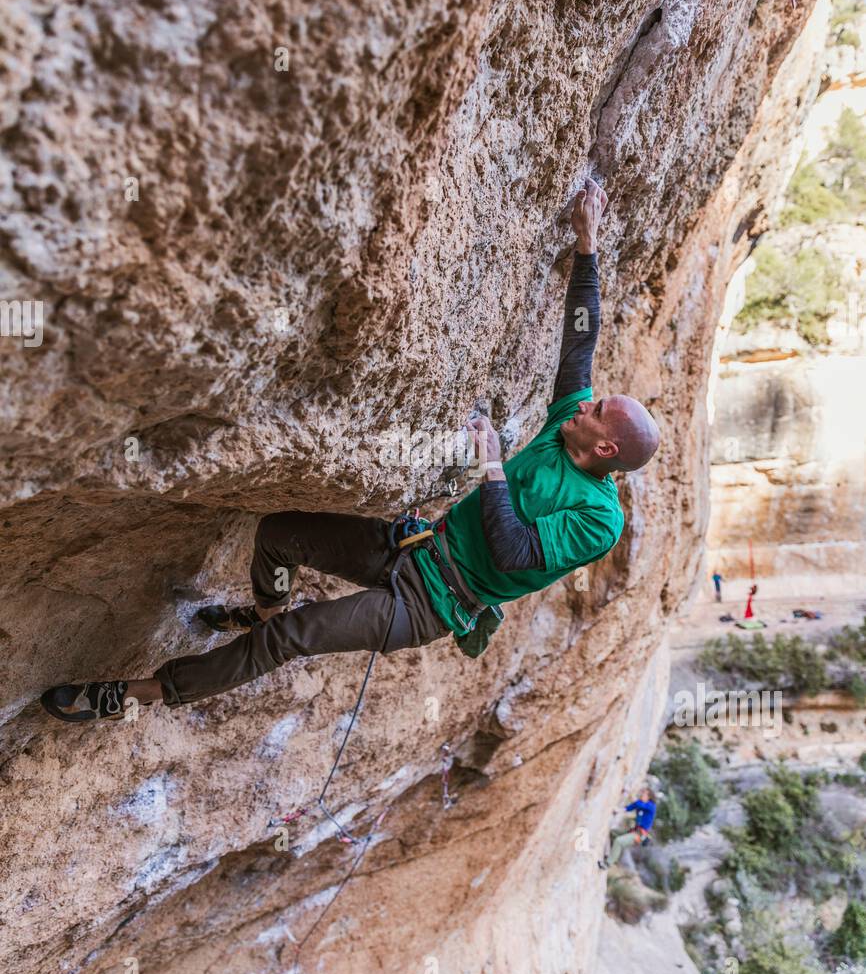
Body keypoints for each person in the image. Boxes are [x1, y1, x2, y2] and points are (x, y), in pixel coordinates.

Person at [41, 178, 661, 725]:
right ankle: (261, 610)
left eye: (596, 410)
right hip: (415, 546)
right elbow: (579, 343)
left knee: (295, 636)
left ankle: (137, 692)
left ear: (605, 445)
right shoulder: (567, 428)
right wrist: (588, 245)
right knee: (278, 532)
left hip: (427, 605)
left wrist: (491, 463)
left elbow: (512, 548)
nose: (584, 402)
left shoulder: (597, 520)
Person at [598, 787, 656, 869]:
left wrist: (629, 793)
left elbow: (638, 804)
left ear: (649, 797)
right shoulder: (642, 805)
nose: (642, 794)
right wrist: (619, 810)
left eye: (644, 793)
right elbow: (630, 807)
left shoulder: (651, 806)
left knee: (619, 841)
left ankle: (607, 864)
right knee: (613, 832)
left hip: (639, 835)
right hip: (634, 831)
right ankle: (609, 854)